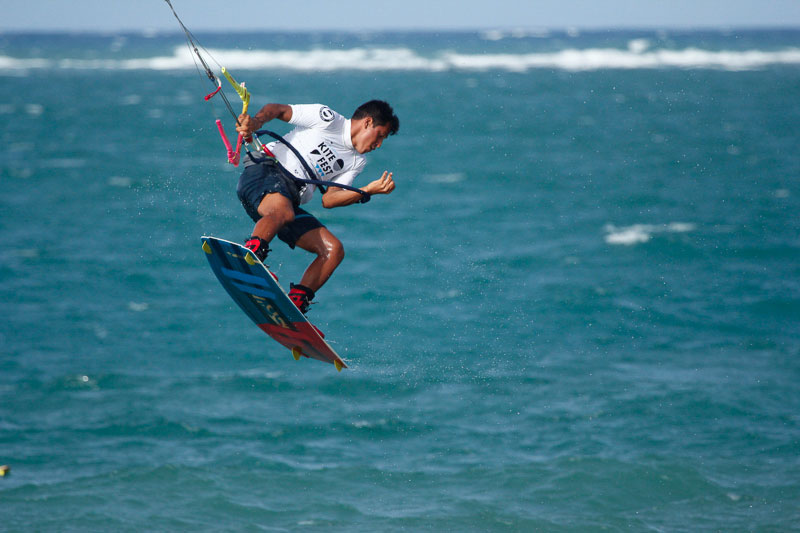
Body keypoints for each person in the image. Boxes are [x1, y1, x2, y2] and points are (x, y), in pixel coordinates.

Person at [234, 100, 399, 315]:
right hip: (263, 174)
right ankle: (251, 258)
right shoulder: (327, 119)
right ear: (368, 122)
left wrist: (366, 190)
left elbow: (329, 199)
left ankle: (294, 304)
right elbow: (278, 109)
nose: (378, 145)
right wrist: (255, 122)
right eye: (380, 136)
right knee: (283, 211)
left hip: (284, 205)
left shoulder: (358, 161)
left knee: (333, 250)